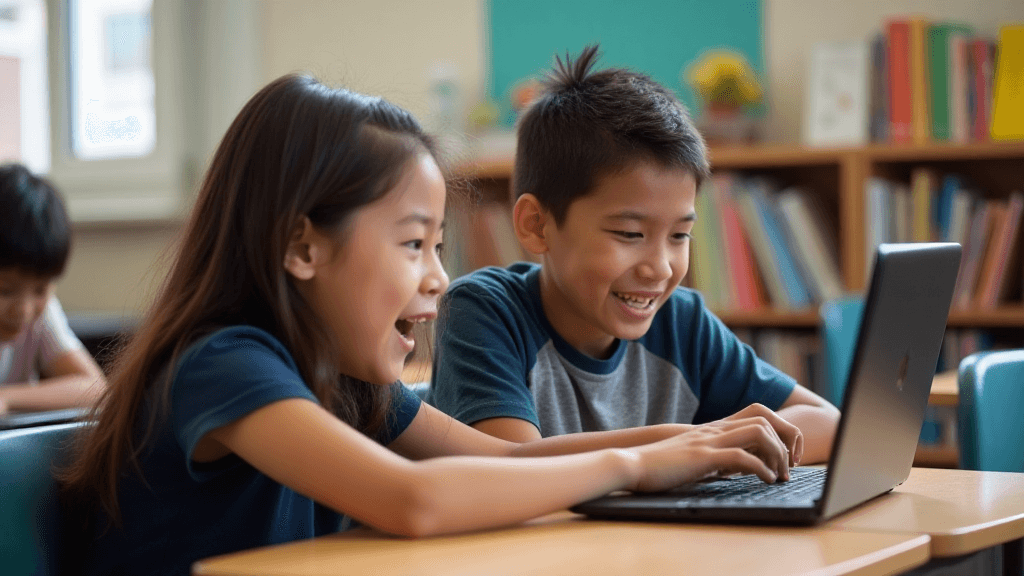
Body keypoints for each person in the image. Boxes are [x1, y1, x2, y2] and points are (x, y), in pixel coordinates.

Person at [58, 73, 801, 576]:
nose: (439, 278)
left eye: (437, 246)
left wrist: (686, 444)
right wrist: (637, 466)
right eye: (413, 243)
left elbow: (504, 462)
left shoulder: (341, 380)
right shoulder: (224, 362)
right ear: (301, 245)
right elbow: (415, 500)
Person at [429, 46, 840, 463]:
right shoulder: (482, 311)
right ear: (537, 225)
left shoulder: (681, 323)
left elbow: (826, 422)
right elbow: (515, 465)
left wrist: (714, 444)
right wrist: (691, 446)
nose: (660, 267)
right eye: (629, 233)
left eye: (680, 235)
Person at [0, 163, 105, 414]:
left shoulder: (42, 316)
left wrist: (6, 398)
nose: (24, 309)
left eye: (40, 290)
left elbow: (96, 389)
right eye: (4, 290)